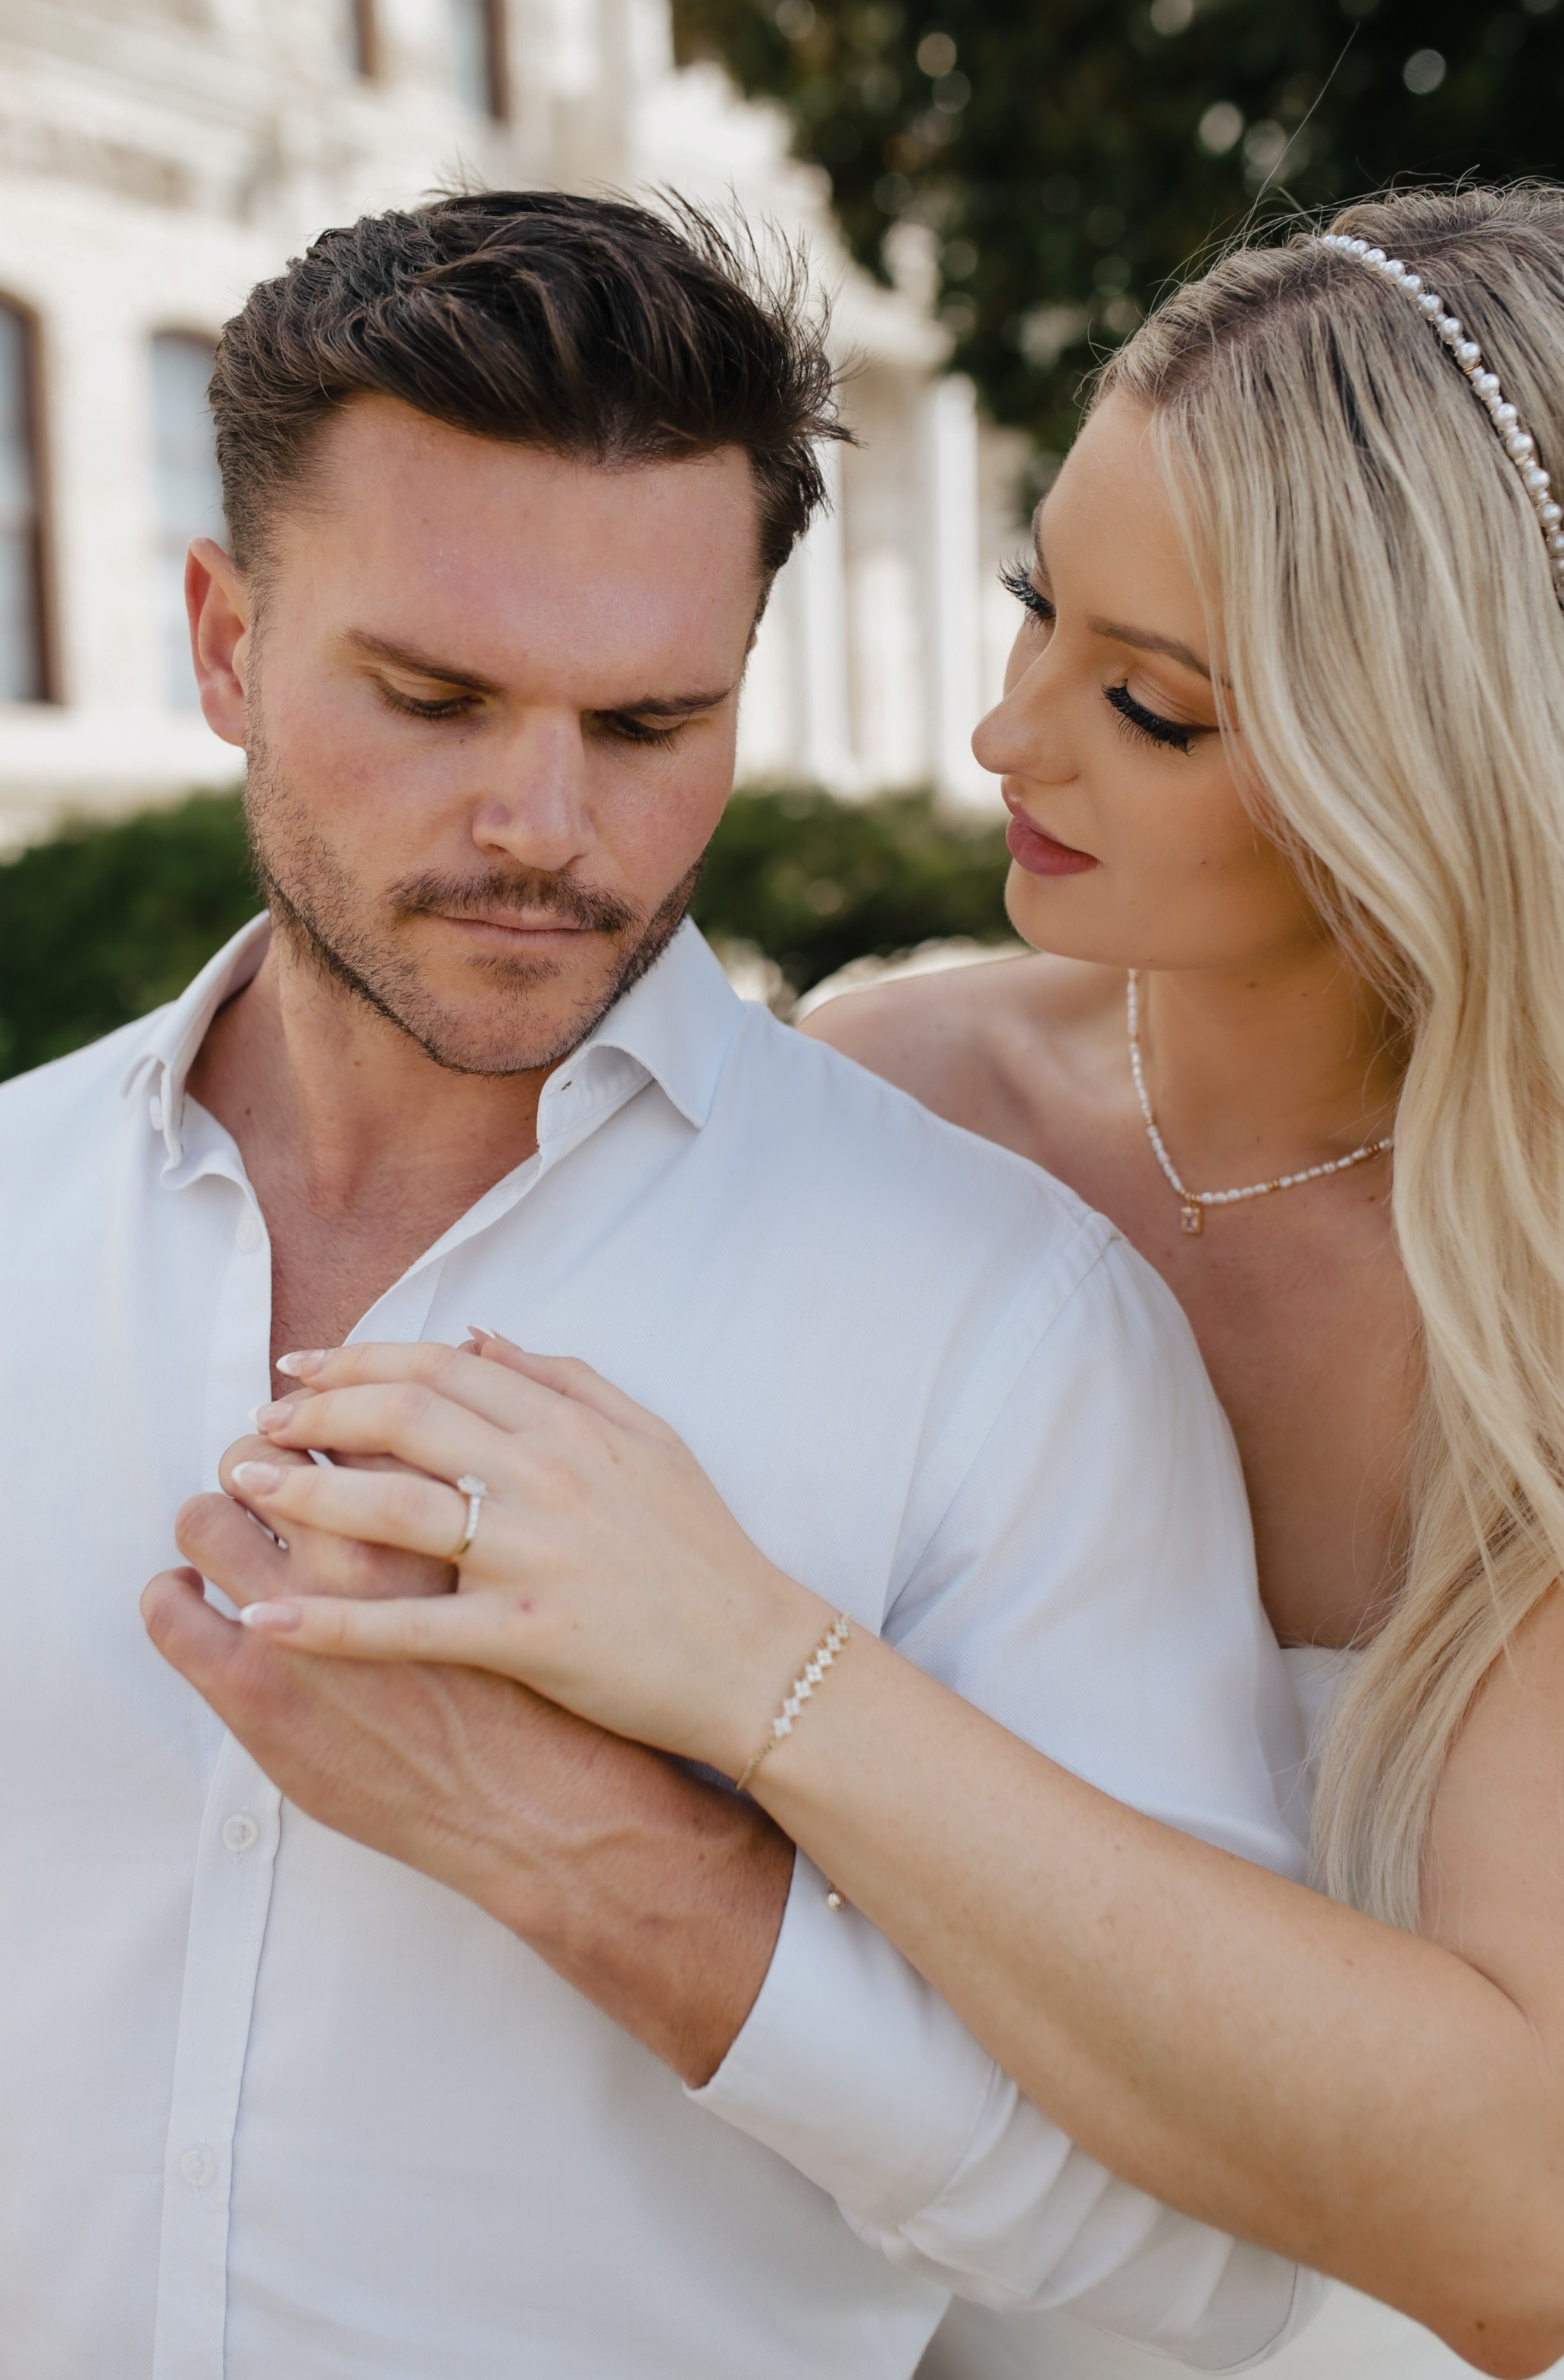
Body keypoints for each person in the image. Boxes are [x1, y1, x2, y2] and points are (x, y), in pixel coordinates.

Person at [215, 185, 1564, 2380]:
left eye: (1149, 703)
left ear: (1426, 759)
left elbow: (1525, 2234)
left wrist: (762, 1666)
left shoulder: (1536, 1293)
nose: (1004, 741)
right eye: (1039, 610)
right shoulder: (894, 1091)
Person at [0, 190, 1320, 2378]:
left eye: (646, 723)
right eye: (430, 697)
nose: (544, 826)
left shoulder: (1005, 1330)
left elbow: (1206, 2257)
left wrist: (620, 1870)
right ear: (221, 641)